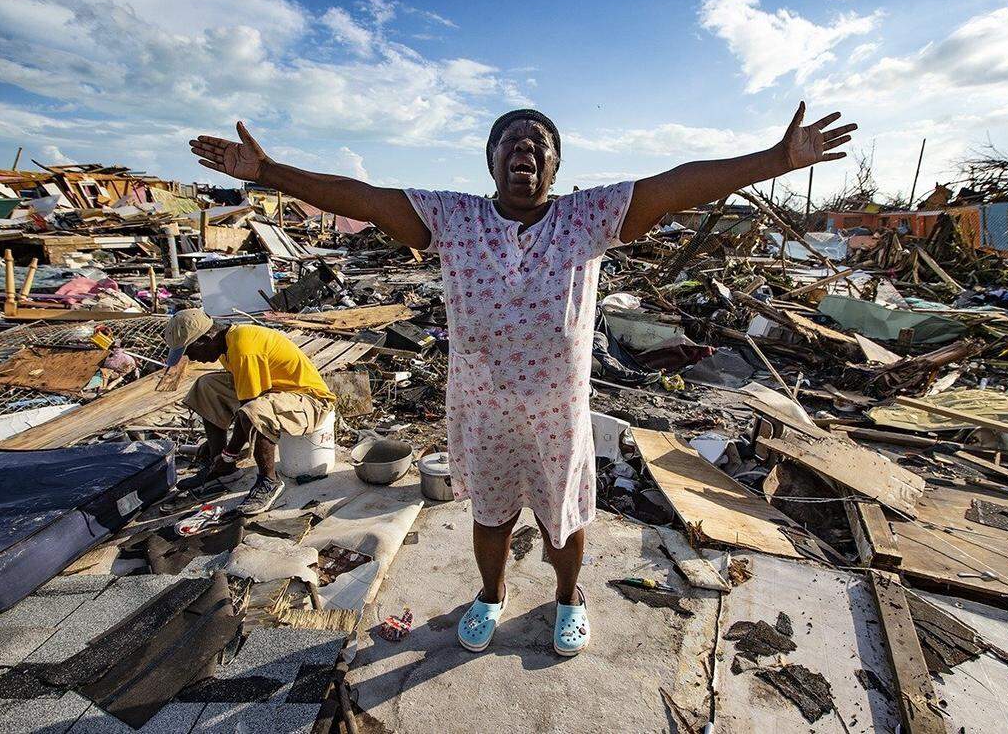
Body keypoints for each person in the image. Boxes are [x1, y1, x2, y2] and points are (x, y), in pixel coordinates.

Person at [189, 101, 855, 655]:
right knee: (491, 515)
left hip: (557, 412)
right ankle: (491, 594)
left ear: (556, 166)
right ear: (491, 161)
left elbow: (674, 184)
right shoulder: (454, 219)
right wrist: (271, 171)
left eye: (539, 144)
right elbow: (361, 196)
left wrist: (775, 159)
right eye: (511, 141)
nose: (524, 150)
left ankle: (568, 597)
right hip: (481, 409)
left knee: (563, 520)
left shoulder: (586, 218)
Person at [164, 309, 336, 515]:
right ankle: (223, 470)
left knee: (254, 411)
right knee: (206, 386)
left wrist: (230, 453)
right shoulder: (225, 344)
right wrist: (221, 453)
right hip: (276, 389)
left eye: (190, 351)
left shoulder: (244, 349)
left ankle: (268, 481)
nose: (191, 358)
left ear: (206, 338)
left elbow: (249, 411)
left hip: (310, 400)